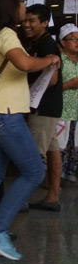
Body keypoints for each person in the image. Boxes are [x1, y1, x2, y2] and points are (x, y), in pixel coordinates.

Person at [0, 0, 60, 260]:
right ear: (9, 4)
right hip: (6, 116)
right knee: (34, 171)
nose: (24, 6)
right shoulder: (6, 33)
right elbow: (24, 63)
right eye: (21, 1)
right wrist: (49, 60)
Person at [22, 4, 63, 211]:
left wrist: (28, 90)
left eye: (32, 21)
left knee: (33, 154)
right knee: (53, 149)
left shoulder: (47, 45)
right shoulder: (40, 42)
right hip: (51, 107)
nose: (26, 25)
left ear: (45, 23)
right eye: (25, 20)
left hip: (43, 107)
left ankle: (20, 199)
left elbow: (53, 79)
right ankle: (52, 197)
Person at [59, 24, 78, 183]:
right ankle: (55, 178)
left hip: (76, 113)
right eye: (73, 39)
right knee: (59, 147)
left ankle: (71, 172)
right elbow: (50, 87)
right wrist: (70, 84)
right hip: (62, 111)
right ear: (63, 42)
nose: (77, 42)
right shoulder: (59, 60)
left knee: (74, 146)